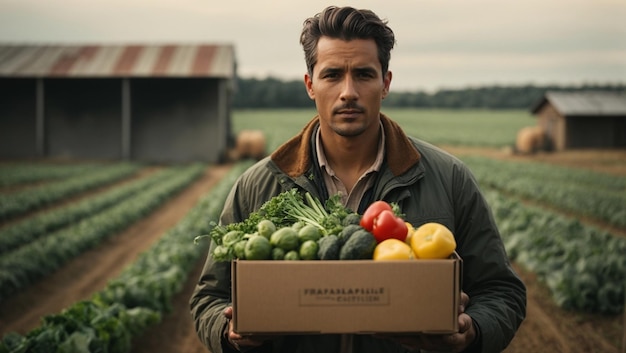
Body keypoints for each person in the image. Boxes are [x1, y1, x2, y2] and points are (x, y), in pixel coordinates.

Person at [190, 5, 526, 353]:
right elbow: (210, 298)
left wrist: (473, 331)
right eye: (332, 74)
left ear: (386, 83)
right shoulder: (257, 185)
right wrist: (228, 332)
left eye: (364, 74)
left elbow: (502, 291)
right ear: (310, 85)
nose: (348, 91)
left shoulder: (450, 178)